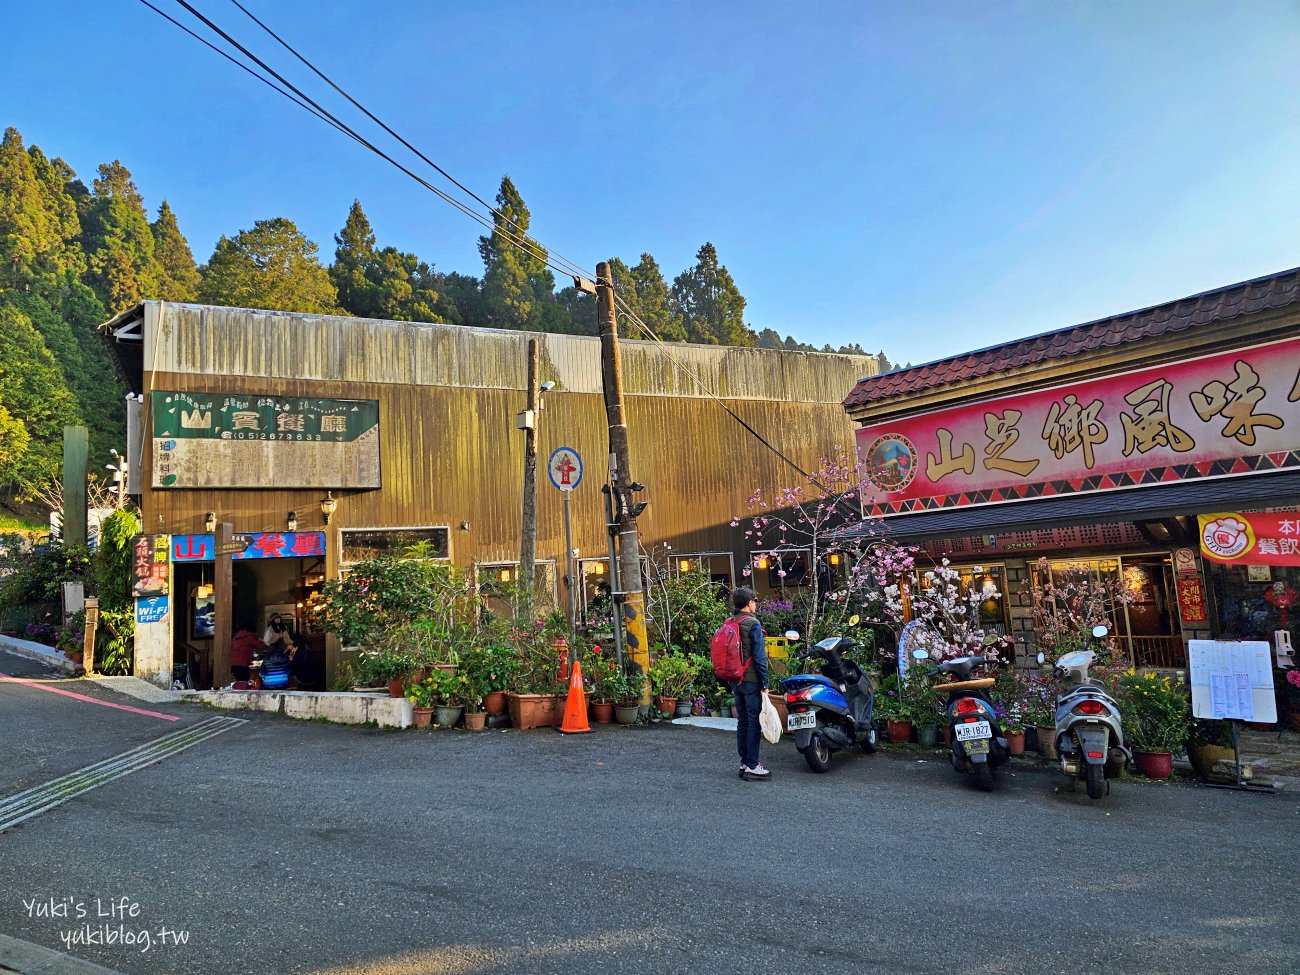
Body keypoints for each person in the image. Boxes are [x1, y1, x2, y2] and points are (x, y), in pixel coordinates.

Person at [730, 587, 770, 781]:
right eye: (754, 600)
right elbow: (759, 657)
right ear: (748, 603)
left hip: (736, 679)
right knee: (754, 722)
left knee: (743, 721)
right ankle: (753, 764)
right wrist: (765, 682)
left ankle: (744, 762)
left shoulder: (731, 622)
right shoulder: (753, 623)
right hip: (752, 680)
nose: (756, 604)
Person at [229, 622, 267, 688]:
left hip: (233, 664)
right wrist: (263, 642)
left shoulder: (236, 637)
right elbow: (262, 646)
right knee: (244, 684)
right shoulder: (250, 637)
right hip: (242, 664)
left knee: (239, 682)